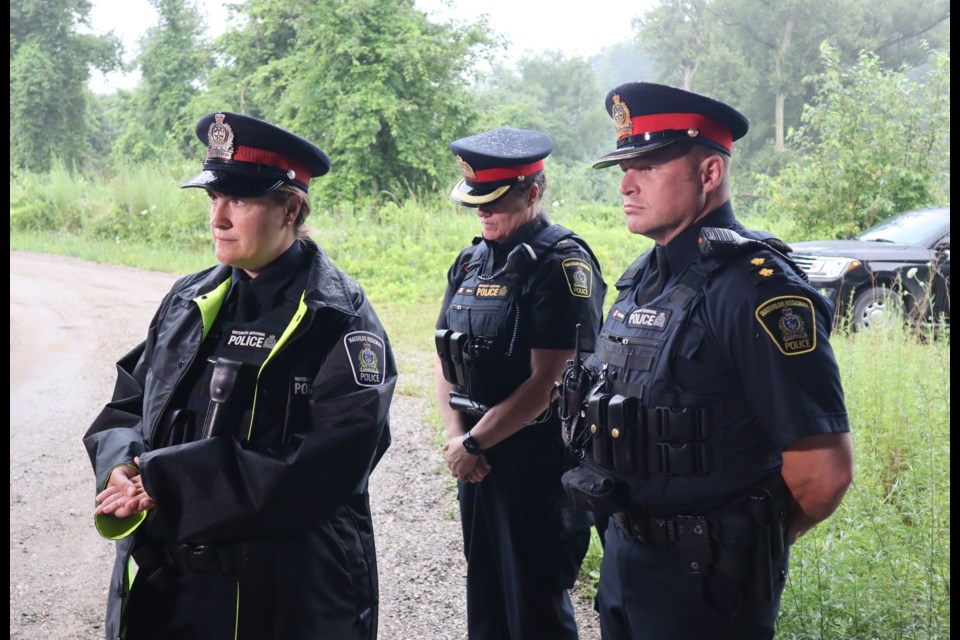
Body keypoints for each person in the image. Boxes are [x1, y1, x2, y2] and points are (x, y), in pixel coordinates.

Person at [83, 111, 397, 640]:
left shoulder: (337, 318)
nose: (218, 218)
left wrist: (161, 481)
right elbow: (130, 404)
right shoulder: (188, 298)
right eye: (214, 199)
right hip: (169, 586)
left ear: (291, 208)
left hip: (279, 596)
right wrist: (121, 467)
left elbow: (324, 466)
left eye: (241, 200)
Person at [558, 82, 854, 639]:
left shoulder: (756, 292)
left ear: (709, 174)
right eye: (625, 165)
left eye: (646, 165)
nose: (625, 183)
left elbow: (823, 474)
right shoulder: (644, 278)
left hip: (709, 587)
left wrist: (740, 541)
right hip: (626, 564)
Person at [434, 127, 607, 639]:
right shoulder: (470, 261)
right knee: (486, 600)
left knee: (535, 607)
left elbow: (549, 378)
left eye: (495, 202)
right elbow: (447, 357)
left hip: (536, 466)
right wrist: (457, 437)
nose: (483, 213)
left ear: (532, 192)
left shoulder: (561, 264)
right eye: (476, 204)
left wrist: (474, 440)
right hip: (479, 461)